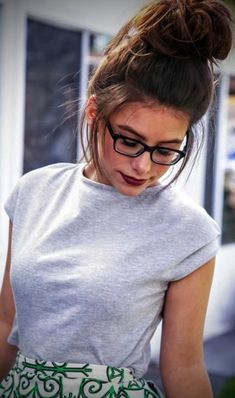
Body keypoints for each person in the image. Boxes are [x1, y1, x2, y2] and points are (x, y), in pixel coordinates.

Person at [0, 0, 233, 397]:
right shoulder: (34, 191)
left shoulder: (189, 231)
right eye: (129, 140)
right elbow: (6, 322)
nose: (143, 166)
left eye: (165, 150)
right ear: (94, 112)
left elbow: (185, 365)